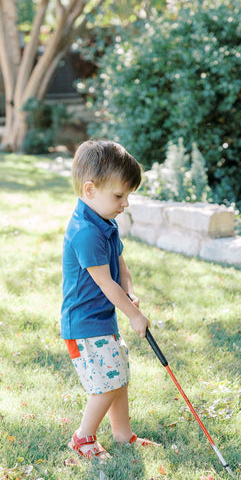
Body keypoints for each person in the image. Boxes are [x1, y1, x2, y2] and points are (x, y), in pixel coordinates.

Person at [61, 140, 160, 461]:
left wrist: (130, 289)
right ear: (90, 190)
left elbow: (120, 266)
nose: (125, 203)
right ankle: (82, 438)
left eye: (128, 196)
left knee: (118, 375)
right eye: (119, 196)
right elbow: (105, 283)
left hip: (102, 321)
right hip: (84, 324)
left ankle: (121, 435)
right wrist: (133, 315)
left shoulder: (105, 222)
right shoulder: (85, 232)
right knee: (106, 382)